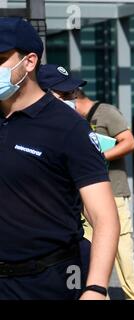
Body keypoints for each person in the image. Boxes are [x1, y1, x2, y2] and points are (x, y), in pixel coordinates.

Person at [0, 17, 119, 300]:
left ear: (29, 62)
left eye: (1, 59)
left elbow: (104, 217)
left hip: (50, 279)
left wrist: (96, 288)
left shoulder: (68, 127)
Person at [75, 89, 134, 300]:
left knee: (122, 250)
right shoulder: (74, 120)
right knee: (88, 248)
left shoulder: (106, 112)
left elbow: (130, 142)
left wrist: (95, 157)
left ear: (74, 97)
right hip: (86, 195)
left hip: (113, 191)